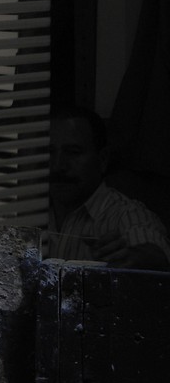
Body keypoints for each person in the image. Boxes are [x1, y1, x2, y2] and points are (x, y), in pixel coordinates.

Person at [48, 105, 170, 269]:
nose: (57, 166)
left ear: (103, 159)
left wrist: (135, 256)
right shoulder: (28, 211)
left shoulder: (124, 214)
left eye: (73, 152)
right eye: (49, 152)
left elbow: (154, 252)